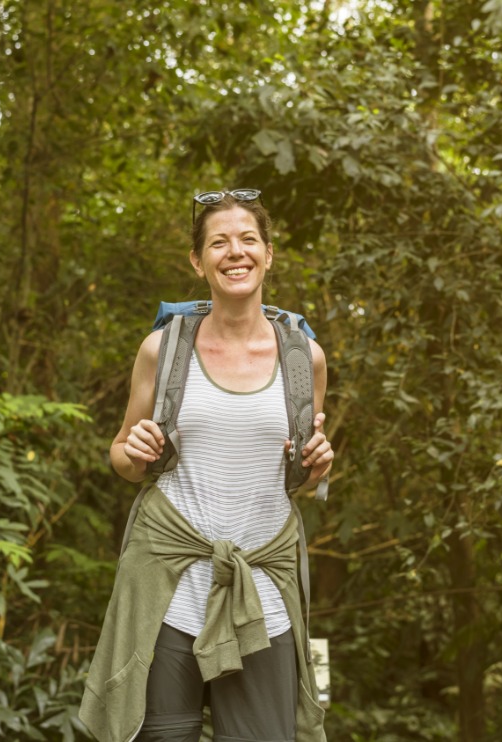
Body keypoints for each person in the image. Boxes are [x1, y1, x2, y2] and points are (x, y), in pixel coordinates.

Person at [79, 189, 333, 742]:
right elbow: (122, 455)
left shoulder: (304, 359)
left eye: (247, 239)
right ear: (198, 261)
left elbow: (303, 475)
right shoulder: (162, 350)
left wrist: (317, 466)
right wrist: (135, 449)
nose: (234, 252)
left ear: (268, 253)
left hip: (263, 583)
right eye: (218, 242)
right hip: (169, 584)